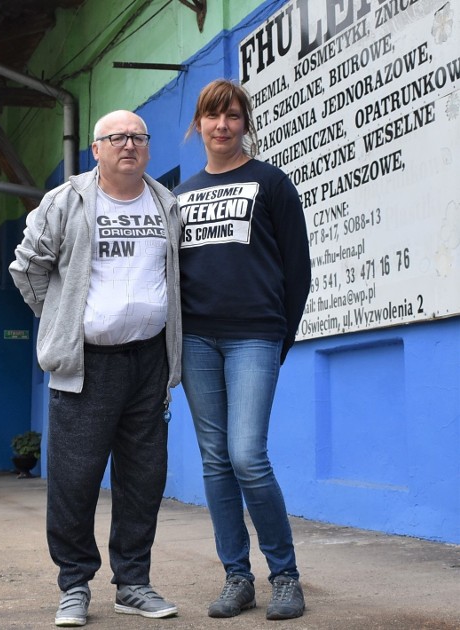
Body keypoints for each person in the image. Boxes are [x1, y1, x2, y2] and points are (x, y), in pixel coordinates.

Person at [9, 110, 182, 627]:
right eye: (117, 138)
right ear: (96, 148)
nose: (128, 145)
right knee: (74, 479)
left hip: (149, 360)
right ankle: (74, 585)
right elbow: (27, 267)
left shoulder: (166, 203)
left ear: (147, 147)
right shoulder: (66, 201)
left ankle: (133, 584)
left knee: (143, 478)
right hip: (87, 364)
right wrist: (61, 320)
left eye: (137, 137)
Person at [172, 79, 311, 621]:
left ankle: (285, 576)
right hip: (197, 340)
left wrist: (282, 336)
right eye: (212, 116)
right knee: (215, 461)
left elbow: (297, 270)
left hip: (255, 333)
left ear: (244, 122)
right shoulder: (181, 195)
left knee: (247, 455)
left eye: (231, 115)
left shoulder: (272, 183)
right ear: (199, 125)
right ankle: (237, 577)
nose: (222, 125)